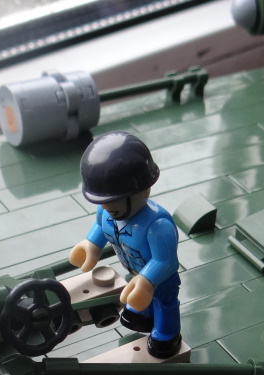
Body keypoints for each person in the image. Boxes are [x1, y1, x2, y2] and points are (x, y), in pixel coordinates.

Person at [69, 132, 181, 358]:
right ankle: (143, 313)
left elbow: (165, 261)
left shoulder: (158, 226)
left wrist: (147, 282)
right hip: (135, 269)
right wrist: (91, 244)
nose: (106, 207)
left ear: (144, 191)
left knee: (164, 301)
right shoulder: (106, 211)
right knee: (137, 291)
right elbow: (100, 226)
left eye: (112, 201)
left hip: (159, 277)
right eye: (103, 202)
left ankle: (167, 333)